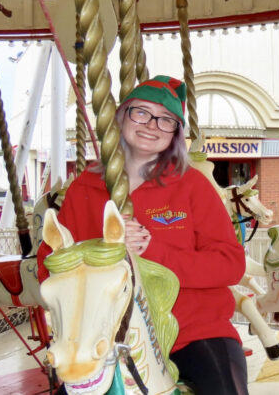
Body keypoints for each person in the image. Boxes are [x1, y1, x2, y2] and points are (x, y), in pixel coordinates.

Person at [37, 75, 248, 395]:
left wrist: (152, 250)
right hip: (105, 339)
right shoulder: (84, 189)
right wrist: (102, 252)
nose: (152, 125)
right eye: (141, 112)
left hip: (193, 331)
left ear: (176, 133)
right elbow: (49, 265)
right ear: (121, 118)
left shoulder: (192, 186)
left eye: (166, 120)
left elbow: (230, 264)